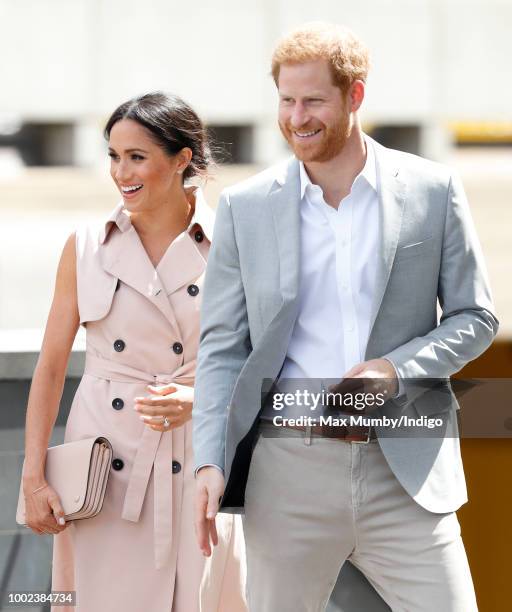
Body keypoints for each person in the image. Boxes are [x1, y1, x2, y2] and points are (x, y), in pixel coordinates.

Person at [193, 22, 498, 612]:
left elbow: (476, 316)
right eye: (286, 99)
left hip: (407, 468)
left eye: (314, 100)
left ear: (355, 96)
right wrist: (211, 458)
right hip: (288, 472)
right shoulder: (244, 206)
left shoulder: (434, 190)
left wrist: (396, 369)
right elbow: (222, 347)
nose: (296, 117)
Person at [22, 92, 247, 612]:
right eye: (113, 155)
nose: (121, 172)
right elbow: (52, 366)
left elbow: (258, 359)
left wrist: (195, 397)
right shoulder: (85, 245)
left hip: (201, 455)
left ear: (182, 159)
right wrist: (33, 477)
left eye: (137, 157)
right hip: (106, 466)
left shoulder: (235, 242)